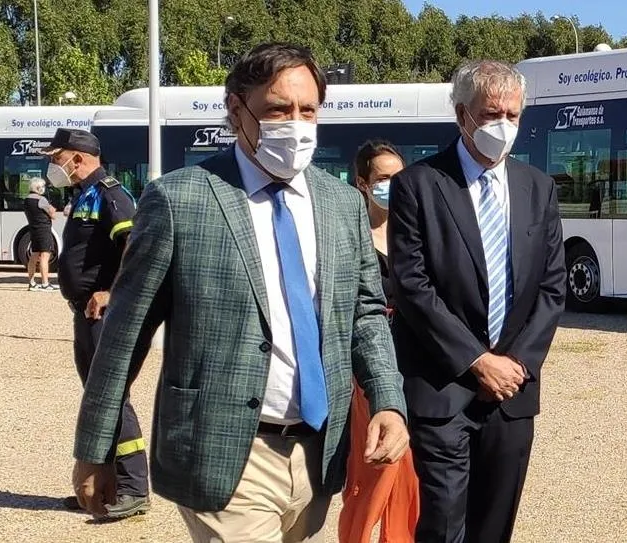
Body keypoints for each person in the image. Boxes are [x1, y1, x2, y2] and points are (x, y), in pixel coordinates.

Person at [72, 42, 409, 543]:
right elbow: (126, 332)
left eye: (307, 110)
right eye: (278, 109)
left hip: (317, 450)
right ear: (236, 109)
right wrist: (94, 449)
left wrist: (387, 399)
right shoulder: (180, 198)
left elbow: (364, 311)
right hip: (224, 447)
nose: (295, 123)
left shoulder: (342, 203)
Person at [389, 59, 567, 543]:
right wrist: (476, 361)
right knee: (444, 526)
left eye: (512, 115)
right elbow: (412, 285)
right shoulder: (419, 185)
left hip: (513, 394)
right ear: (462, 114)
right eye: (491, 115)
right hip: (444, 389)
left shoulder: (538, 188)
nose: (503, 126)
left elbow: (552, 288)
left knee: (494, 527)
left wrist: (516, 365)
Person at [41, 128, 150, 519]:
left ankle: (135, 488)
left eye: (57, 158)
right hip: (83, 314)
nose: (54, 166)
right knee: (97, 398)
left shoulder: (110, 193)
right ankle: (103, 486)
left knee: (112, 396)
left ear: (78, 157)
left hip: (104, 315)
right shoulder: (82, 195)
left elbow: (134, 247)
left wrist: (110, 291)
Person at [339, 141, 419, 543]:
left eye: (399, 177)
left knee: (412, 471)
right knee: (376, 463)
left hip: (417, 360)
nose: (393, 185)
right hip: (369, 367)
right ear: (363, 183)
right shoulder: (351, 238)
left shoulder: (416, 233)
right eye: (384, 179)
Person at [22, 177, 58, 291]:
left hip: (34, 230)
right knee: (44, 256)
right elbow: (52, 214)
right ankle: (45, 283)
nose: (44, 189)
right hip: (44, 230)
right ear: (38, 188)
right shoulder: (41, 200)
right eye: (42, 186)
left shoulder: (27, 200)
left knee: (34, 256)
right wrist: (52, 209)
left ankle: (32, 283)